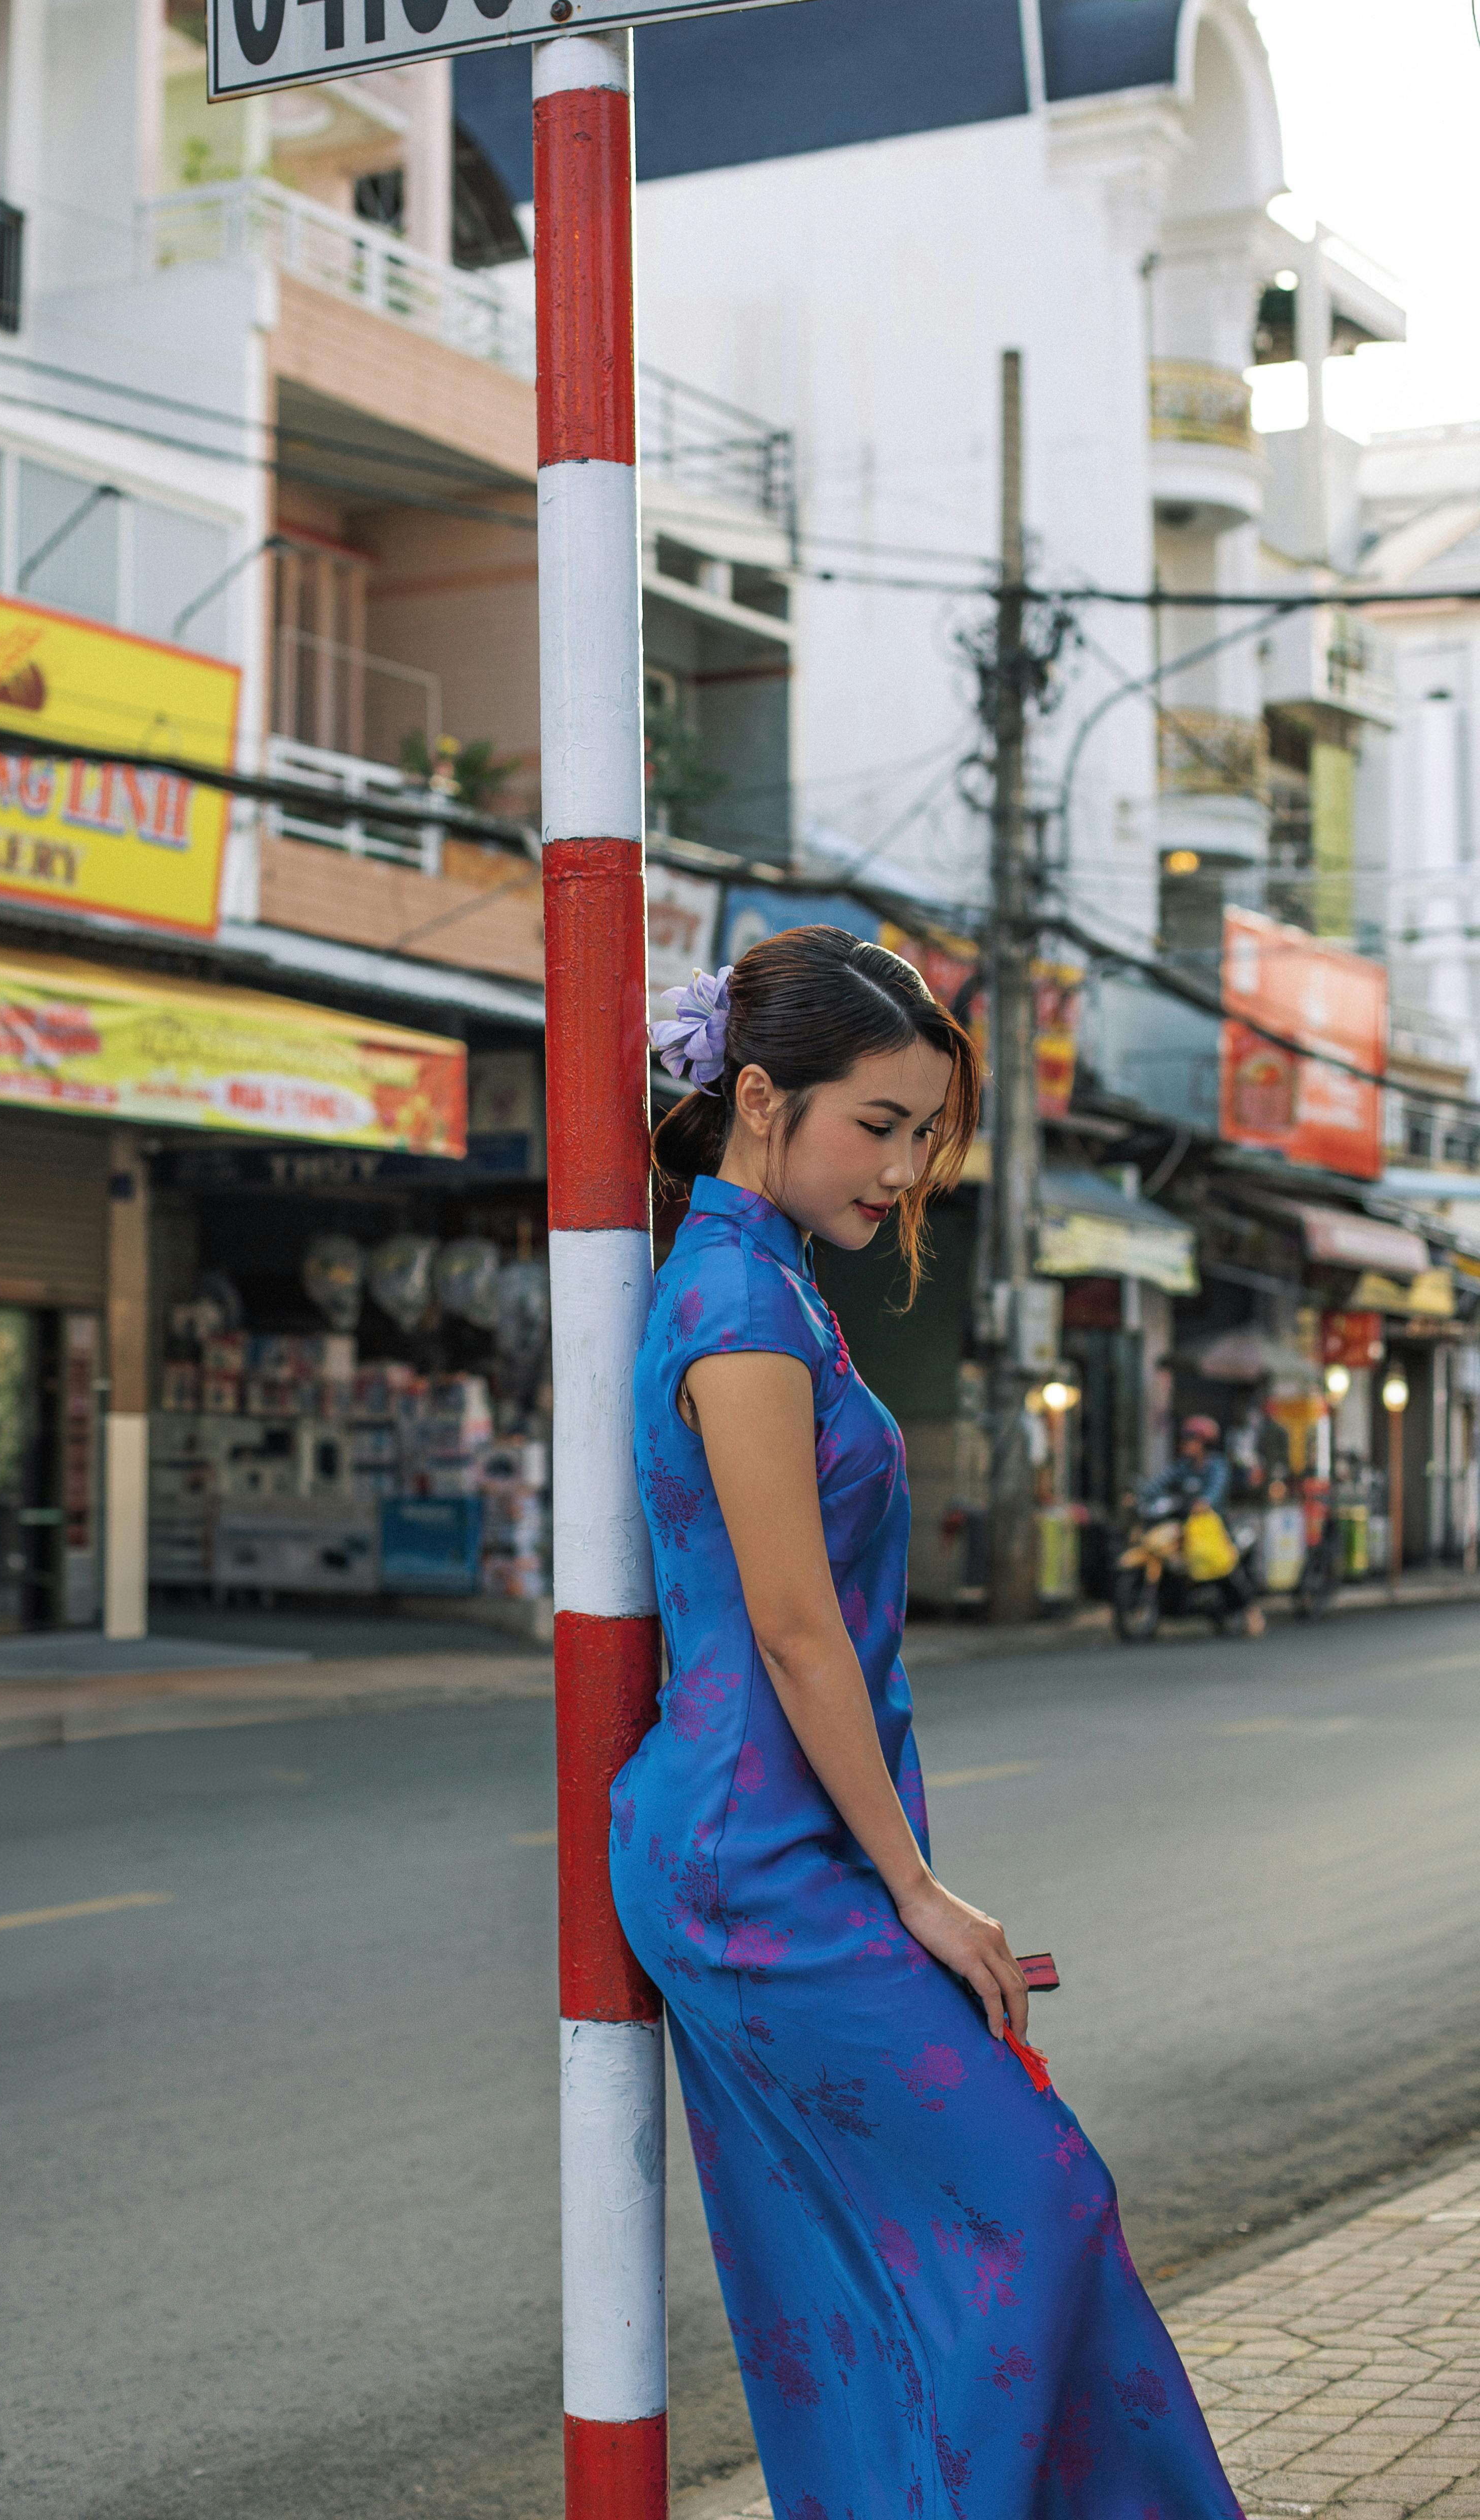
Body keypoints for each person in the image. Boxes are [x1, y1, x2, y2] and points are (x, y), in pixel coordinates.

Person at [617, 928, 1243, 2519]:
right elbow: (792, 1627)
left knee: (866, 2282)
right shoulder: (741, 1312)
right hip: (753, 1867)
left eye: (920, 1135)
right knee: (1024, 2210)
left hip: (771, 1841)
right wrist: (914, 1886)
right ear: (760, 1099)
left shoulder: (760, 1285)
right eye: (875, 1126)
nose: (901, 1169)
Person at [1143, 1414, 1265, 1637]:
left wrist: (1205, 1502)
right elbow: (1160, 1483)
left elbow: (1215, 1491)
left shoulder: (1217, 1466)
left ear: (1204, 1443)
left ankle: (1250, 1611)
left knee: (1224, 1566)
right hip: (1186, 1526)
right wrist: (1141, 1495)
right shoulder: (1183, 1467)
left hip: (1214, 1529)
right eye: (1185, 1438)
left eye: (1191, 1439)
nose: (1186, 1444)